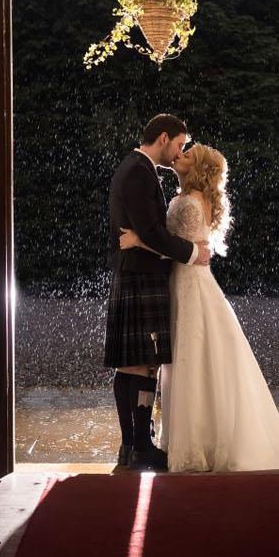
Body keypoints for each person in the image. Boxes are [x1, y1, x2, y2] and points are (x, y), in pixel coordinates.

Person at [119, 143, 279, 472]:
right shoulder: (192, 197)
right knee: (195, 359)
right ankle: (196, 436)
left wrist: (139, 241)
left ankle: (193, 442)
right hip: (189, 281)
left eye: (188, 154)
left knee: (190, 359)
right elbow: (187, 246)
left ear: (198, 168)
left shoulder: (190, 202)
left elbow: (175, 247)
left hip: (189, 283)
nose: (180, 155)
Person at [104, 113, 212, 471]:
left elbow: (144, 231)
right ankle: (135, 445)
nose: (180, 151)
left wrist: (140, 238)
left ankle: (137, 444)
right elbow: (150, 231)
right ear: (163, 138)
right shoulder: (138, 170)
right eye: (179, 144)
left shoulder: (138, 167)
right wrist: (192, 253)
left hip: (140, 274)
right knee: (137, 363)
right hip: (140, 276)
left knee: (145, 365)